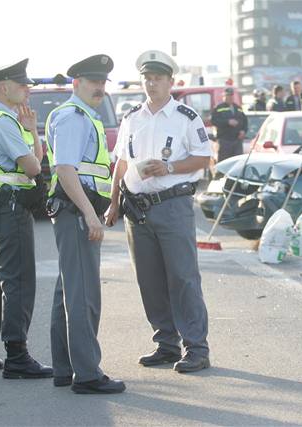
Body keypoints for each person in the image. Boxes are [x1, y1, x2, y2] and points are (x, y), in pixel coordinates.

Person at [105, 50, 211, 373]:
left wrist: (169, 167)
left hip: (173, 205)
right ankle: (166, 343)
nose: (151, 83)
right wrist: (112, 203)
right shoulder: (132, 118)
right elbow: (121, 163)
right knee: (148, 279)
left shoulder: (186, 118)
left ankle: (197, 347)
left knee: (182, 277)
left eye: (158, 78)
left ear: (170, 82)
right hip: (137, 209)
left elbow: (203, 158)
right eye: (147, 78)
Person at [45, 54, 125, 394]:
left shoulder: (82, 116)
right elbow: (66, 169)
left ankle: (66, 368)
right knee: (83, 296)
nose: (99, 87)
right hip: (77, 213)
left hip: (74, 212)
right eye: (93, 81)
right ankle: (88, 374)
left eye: (103, 82)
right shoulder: (74, 117)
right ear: (76, 83)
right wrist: (91, 215)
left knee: (69, 291)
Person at [0, 58, 52, 380]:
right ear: (4, 87)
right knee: (17, 281)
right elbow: (33, 167)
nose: (27, 89)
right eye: (22, 84)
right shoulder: (2, 120)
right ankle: (17, 356)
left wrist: (31, 130)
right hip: (10, 208)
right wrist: (30, 137)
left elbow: (35, 159)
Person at [211, 87, 248, 162]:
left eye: (231, 96)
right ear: (223, 97)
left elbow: (245, 121)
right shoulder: (219, 108)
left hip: (237, 141)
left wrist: (243, 131)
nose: (230, 97)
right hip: (225, 141)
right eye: (227, 96)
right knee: (224, 162)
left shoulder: (238, 108)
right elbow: (214, 121)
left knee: (237, 163)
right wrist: (227, 122)